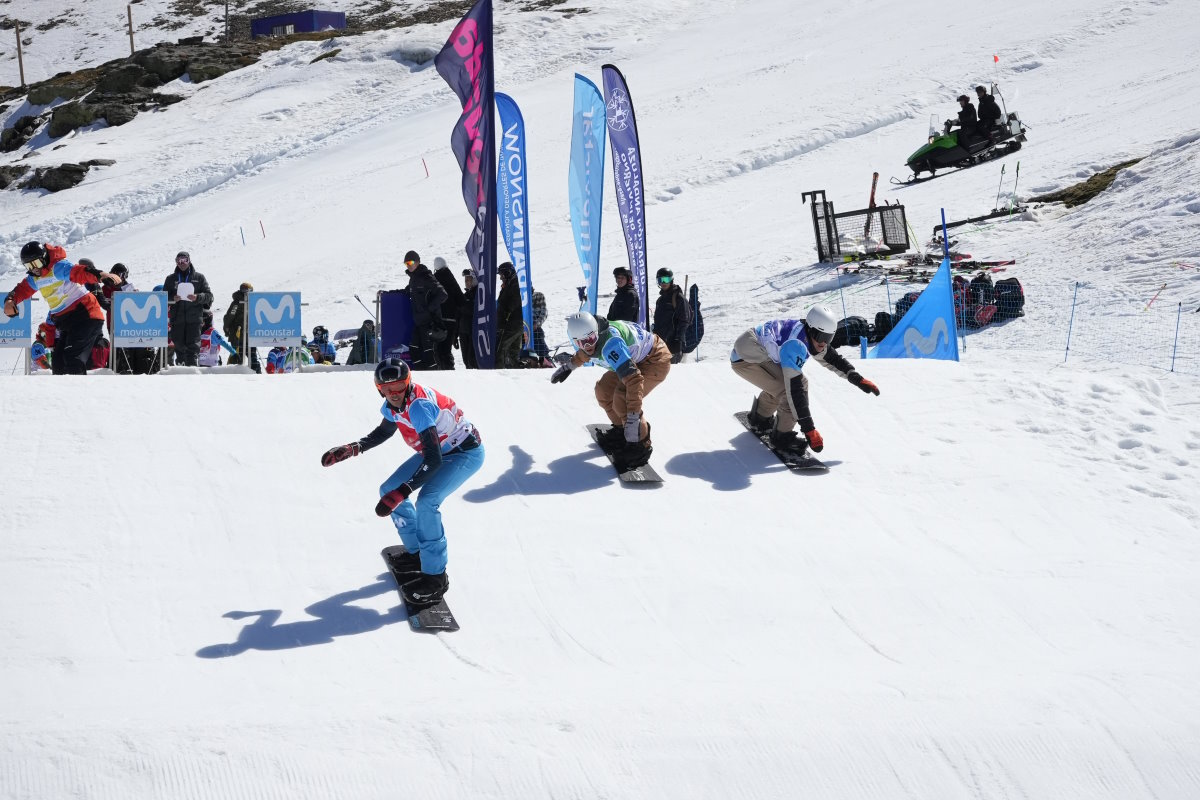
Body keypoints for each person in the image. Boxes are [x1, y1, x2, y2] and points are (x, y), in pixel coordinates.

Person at [320, 358, 485, 605]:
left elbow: (433, 459)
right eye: (387, 390)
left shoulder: (418, 406)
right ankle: (419, 553)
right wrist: (353, 448)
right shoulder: (392, 404)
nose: (394, 394)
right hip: (438, 451)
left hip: (463, 454)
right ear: (379, 389)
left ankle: (436, 578)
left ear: (408, 383)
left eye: (399, 387)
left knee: (427, 502)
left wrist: (403, 491)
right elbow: (385, 431)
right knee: (387, 489)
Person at [730, 305, 880, 458]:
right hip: (746, 358)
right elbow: (795, 391)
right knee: (788, 388)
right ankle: (781, 437)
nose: (823, 343)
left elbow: (831, 358)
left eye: (828, 338)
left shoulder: (808, 334)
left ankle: (760, 417)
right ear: (810, 329)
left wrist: (857, 378)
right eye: (820, 337)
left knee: (784, 383)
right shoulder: (795, 345)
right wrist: (809, 429)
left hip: (751, 346)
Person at [550, 311, 671, 472]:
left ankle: (639, 447)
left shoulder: (610, 346)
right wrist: (569, 366)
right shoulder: (591, 341)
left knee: (622, 398)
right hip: (633, 359)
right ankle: (622, 431)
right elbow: (585, 354)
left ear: (596, 334)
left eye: (591, 339)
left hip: (654, 360)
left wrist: (633, 417)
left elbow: (634, 381)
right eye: (581, 343)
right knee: (603, 391)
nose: (588, 346)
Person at [4, 241, 116, 375]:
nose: (35, 269)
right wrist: (10, 300)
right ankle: (62, 394)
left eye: (37, 263)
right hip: (67, 322)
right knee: (58, 362)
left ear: (44, 258)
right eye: (29, 265)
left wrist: (100, 275)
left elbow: (80, 272)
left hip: (86, 315)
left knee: (72, 357)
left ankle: (80, 393)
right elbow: (21, 290)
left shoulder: (57, 267)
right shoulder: (34, 278)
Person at [163, 251, 213, 367]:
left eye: (184, 260)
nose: (181, 263)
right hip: (177, 320)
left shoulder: (199, 278)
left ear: (189, 260)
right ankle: (181, 373)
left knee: (192, 348)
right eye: (178, 260)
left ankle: (192, 373)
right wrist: (172, 298)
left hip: (194, 320)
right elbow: (163, 297)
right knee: (179, 348)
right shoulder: (171, 279)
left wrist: (197, 297)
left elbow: (209, 296)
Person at [404, 250, 450, 370]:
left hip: (430, 323)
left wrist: (428, 309)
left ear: (418, 262)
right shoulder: (413, 279)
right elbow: (405, 291)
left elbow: (443, 294)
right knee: (414, 350)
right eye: (406, 263)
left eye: (410, 262)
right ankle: (421, 376)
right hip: (419, 323)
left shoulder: (426, 276)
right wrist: (387, 294)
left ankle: (436, 380)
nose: (408, 265)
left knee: (430, 354)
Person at [651, 267, 691, 365]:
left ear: (671, 280)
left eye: (666, 279)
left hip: (674, 344)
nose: (663, 282)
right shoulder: (660, 300)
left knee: (674, 374)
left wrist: (678, 339)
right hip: (661, 344)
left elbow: (685, 320)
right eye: (661, 280)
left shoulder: (678, 298)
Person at [432, 256, 463, 369]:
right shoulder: (452, 279)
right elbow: (461, 300)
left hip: (440, 320)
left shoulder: (435, 279)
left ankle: (444, 372)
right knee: (446, 350)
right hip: (452, 321)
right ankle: (449, 369)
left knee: (438, 350)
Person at [223, 281, 260, 373]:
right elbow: (229, 316)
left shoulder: (253, 303)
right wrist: (227, 329)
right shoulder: (237, 302)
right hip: (238, 334)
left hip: (250, 335)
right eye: (244, 290)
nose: (246, 293)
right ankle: (236, 375)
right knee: (238, 356)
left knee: (252, 357)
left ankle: (257, 374)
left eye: (248, 290)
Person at [495, 261, 524, 368]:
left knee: (501, 348)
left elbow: (514, 302)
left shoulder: (516, 284)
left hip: (512, 322)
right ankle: (515, 372)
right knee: (513, 351)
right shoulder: (509, 284)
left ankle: (498, 372)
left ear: (508, 273)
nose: (501, 277)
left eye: (502, 274)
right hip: (513, 322)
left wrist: (505, 314)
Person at [457, 269, 479, 369]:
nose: (466, 282)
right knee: (466, 360)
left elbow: (472, 309)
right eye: (465, 280)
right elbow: (458, 314)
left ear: (474, 280)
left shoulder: (479, 294)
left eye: (469, 279)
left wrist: (462, 306)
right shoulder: (465, 295)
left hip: (473, 331)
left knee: (472, 359)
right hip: (463, 331)